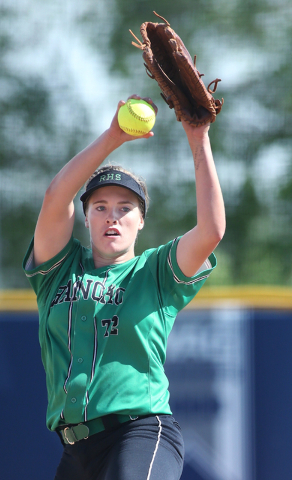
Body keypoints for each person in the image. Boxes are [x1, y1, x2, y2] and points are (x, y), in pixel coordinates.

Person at [23, 94, 225, 480]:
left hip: (141, 433)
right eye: (100, 207)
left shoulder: (155, 273)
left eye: (125, 207)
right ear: (85, 217)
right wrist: (113, 135)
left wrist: (198, 138)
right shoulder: (58, 272)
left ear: (141, 221)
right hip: (74, 452)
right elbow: (55, 196)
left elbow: (212, 231)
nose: (111, 216)